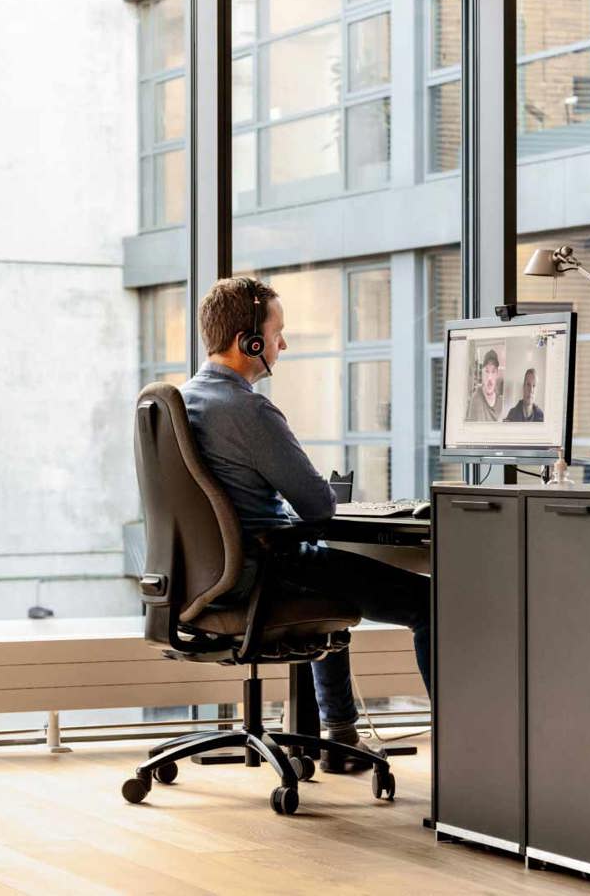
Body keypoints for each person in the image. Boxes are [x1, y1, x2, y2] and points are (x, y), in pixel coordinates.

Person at [180, 277, 430, 770]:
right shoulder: (249, 410)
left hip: (209, 578)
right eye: (277, 333)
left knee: (333, 587)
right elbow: (318, 506)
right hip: (268, 568)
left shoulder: (183, 402)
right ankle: (476, 755)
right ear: (248, 342)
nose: (283, 344)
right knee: (430, 605)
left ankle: (340, 735)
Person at [465, 348, 503, 422]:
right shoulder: (475, 399)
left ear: (497, 374)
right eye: (486, 371)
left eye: (493, 371)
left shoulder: (501, 403)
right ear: (482, 374)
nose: (489, 378)